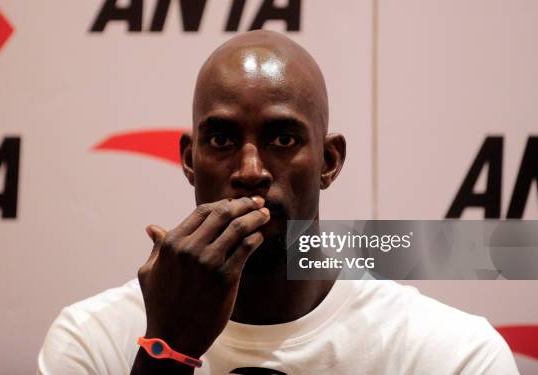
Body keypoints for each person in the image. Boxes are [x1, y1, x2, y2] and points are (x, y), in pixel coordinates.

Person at [37, 30, 518, 374]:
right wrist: (166, 352)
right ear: (189, 160)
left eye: (283, 140)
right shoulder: (92, 340)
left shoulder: (449, 355)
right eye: (222, 140)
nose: (250, 171)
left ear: (329, 160)